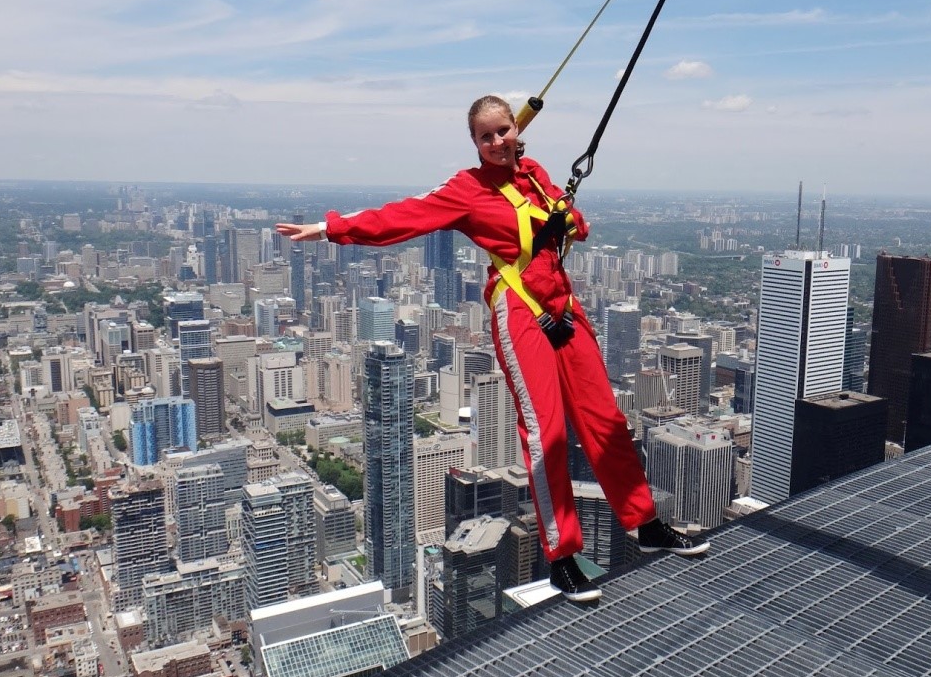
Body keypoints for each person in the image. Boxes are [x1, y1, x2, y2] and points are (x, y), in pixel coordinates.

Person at [278, 95, 708, 601]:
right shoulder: (466, 189)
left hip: (564, 304)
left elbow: (579, 228)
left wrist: (567, 221)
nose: (498, 141)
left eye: (503, 131)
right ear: (476, 143)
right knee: (546, 430)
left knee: (605, 419)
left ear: (515, 129)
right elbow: (403, 216)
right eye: (486, 136)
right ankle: (563, 556)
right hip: (520, 309)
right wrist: (333, 228)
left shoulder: (537, 174)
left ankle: (647, 524)